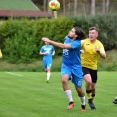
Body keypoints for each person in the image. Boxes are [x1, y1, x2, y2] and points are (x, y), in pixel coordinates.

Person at [42, 27, 86, 112]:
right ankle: (71, 101)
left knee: (78, 89)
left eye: (72, 31)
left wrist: (49, 41)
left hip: (76, 67)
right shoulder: (66, 38)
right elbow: (67, 47)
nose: (70, 31)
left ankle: (83, 104)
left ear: (76, 35)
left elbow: (63, 46)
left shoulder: (77, 43)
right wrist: (78, 51)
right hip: (66, 65)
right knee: (64, 80)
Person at [81, 27, 106, 110]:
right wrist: (79, 50)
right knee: (88, 81)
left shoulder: (99, 44)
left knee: (93, 88)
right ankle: (89, 98)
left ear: (97, 35)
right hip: (84, 66)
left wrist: (99, 51)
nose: (91, 34)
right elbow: (74, 46)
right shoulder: (84, 42)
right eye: (90, 33)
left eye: (93, 33)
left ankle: (91, 100)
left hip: (93, 68)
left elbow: (104, 56)